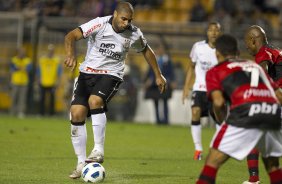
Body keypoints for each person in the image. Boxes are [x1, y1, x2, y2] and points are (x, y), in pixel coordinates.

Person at [64, 1, 166, 179]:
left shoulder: (134, 33)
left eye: (129, 20)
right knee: (76, 113)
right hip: (87, 73)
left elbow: (147, 51)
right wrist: (71, 54)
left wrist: (158, 75)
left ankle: (98, 149)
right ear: (115, 14)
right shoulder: (99, 24)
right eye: (123, 19)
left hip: (111, 75)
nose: (126, 23)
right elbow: (71, 36)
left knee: (95, 101)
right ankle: (81, 163)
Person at [196, 34, 282, 184]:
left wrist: (223, 122)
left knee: (212, 161)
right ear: (237, 53)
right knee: (273, 166)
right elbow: (278, 95)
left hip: (245, 112)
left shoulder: (215, 71)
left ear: (217, 54)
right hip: (271, 111)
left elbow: (218, 102)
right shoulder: (254, 66)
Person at [243, 25, 282, 184]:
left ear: (253, 40)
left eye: (247, 42)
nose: (246, 46)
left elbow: (263, 70)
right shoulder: (275, 50)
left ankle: (254, 179)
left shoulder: (263, 53)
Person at [182, 22, 221, 160]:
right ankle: (198, 149)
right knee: (195, 112)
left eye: (216, 30)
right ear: (207, 32)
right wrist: (186, 87)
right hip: (199, 88)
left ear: (220, 33)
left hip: (216, 90)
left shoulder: (222, 50)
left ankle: (215, 147)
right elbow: (191, 67)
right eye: (211, 30)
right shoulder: (198, 47)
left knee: (218, 119)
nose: (214, 33)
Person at [144, 44, 176, 125]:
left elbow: (171, 72)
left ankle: (166, 120)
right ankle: (158, 120)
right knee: (156, 102)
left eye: (161, 49)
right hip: (154, 84)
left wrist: (171, 81)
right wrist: (149, 80)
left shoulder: (168, 61)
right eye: (159, 49)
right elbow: (150, 71)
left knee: (165, 102)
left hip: (165, 83)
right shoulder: (154, 59)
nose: (160, 51)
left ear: (164, 50)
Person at [37, 44, 62, 116]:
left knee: (52, 99)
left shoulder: (56, 60)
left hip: (52, 82)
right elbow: (39, 70)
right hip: (43, 81)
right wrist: (38, 79)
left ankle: (51, 114)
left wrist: (58, 81)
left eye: (52, 51)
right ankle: (41, 113)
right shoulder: (42, 60)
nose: (51, 52)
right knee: (42, 98)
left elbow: (59, 72)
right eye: (50, 51)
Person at [10, 47, 32, 118]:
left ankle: (21, 112)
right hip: (15, 81)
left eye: (23, 52)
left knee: (22, 99)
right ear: (18, 52)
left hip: (24, 82)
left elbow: (29, 69)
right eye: (21, 52)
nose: (22, 53)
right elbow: (12, 69)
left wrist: (19, 68)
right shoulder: (14, 59)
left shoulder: (28, 60)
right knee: (14, 97)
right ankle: (12, 112)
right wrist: (21, 68)